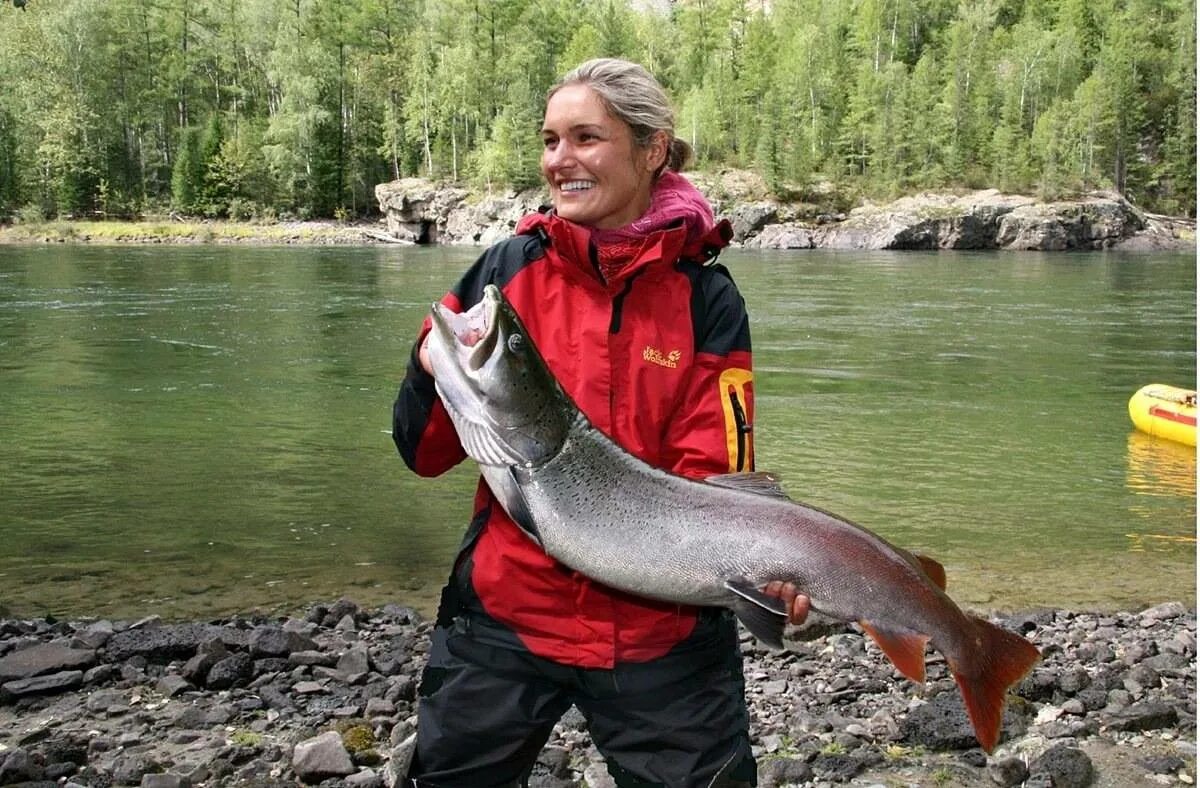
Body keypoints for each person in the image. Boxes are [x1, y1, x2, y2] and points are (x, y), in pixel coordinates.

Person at [392, 58, 809, 788]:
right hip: (503, 619)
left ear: (651, 149)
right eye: (550, 140)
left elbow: (714, 478)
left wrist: (766, 574)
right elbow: (421, 455)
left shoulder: (706, 299)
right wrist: (428, 370)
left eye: (586, 138)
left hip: (662, 637)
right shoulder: (504, 274)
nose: (561, 161)